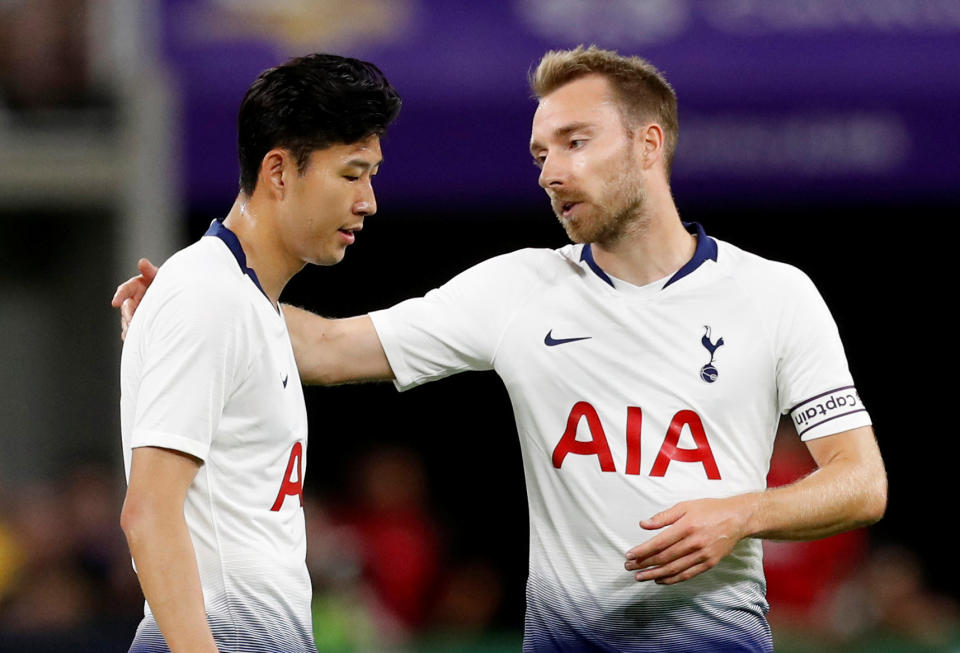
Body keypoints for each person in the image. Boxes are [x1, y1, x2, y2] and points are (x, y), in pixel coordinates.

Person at [114, 46, 886, 652]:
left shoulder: (776, 294)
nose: (551, 171)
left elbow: (859, 483)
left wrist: (742, 514)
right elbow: (328, 346)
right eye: (540, 152)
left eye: (575, 142)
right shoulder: (519, 290)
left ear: (649, 145)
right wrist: (199, 307)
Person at [115, 53, 400, 652]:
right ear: (278, 171)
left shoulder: (242, 302)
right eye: (352, 174)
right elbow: (148, 515)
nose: (369, 200)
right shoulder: (207, 295)